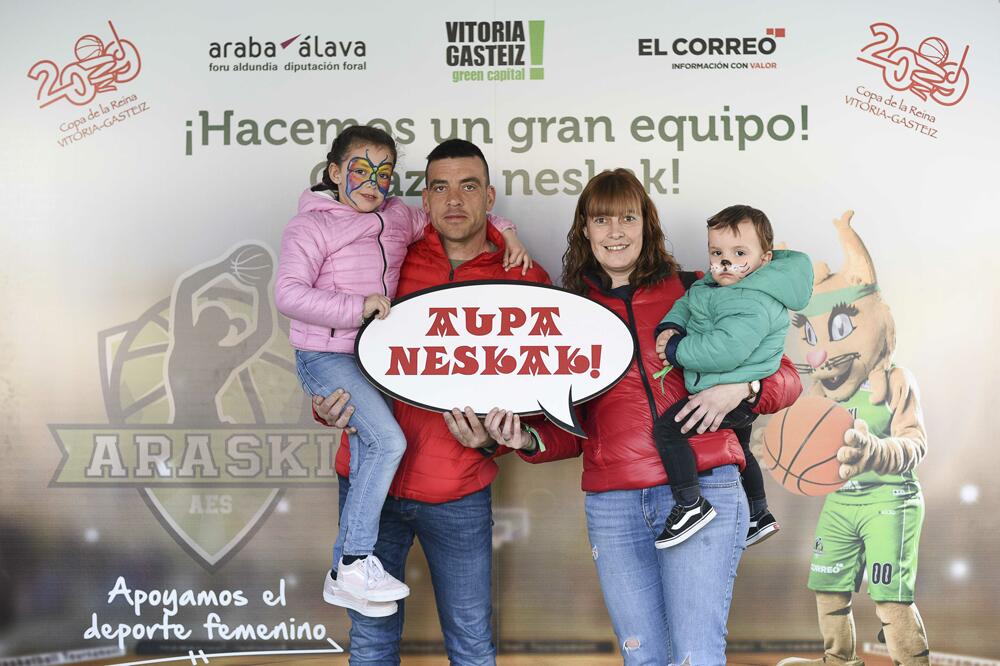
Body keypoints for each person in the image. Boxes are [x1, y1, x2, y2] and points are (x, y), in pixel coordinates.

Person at [485, 169, 803, 665]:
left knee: (695, 656)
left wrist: (742, 389)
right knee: (644, 658)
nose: (615, 231)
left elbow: (786, 377)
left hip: (704, 489)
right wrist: (525, 439)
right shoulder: (569, 314)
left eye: (627, 218)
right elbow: (576, 431)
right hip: (614, 506)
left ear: (646, 224)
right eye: (602, 219)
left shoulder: (698, 290)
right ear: (584, 230)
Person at [274, 127, 532, 617]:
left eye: (384, 173)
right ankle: (349, 564)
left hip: (442, 466)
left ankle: (348, 568)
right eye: (360, 170)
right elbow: (288, 295)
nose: (372, 182)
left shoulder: (398, 219)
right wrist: (359, 308)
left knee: (472, 638)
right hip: (328, 357)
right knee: (388, 441)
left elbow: (458, 213)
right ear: (334, 172)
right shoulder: (310, 226)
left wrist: (509, 231)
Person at [649, 205, 813, 548]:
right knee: (741, 446)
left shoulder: (753, 300)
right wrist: (671, 325)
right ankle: (759, 514)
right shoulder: (717, 284)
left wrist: (678, 349)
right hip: (728, 390)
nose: (725, 262)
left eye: (739, 253)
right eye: (717, 252)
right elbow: (691, 300)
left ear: (764, 259)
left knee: (668, 430)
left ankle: (690, 503)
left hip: (732, 393)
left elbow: (725, 350)